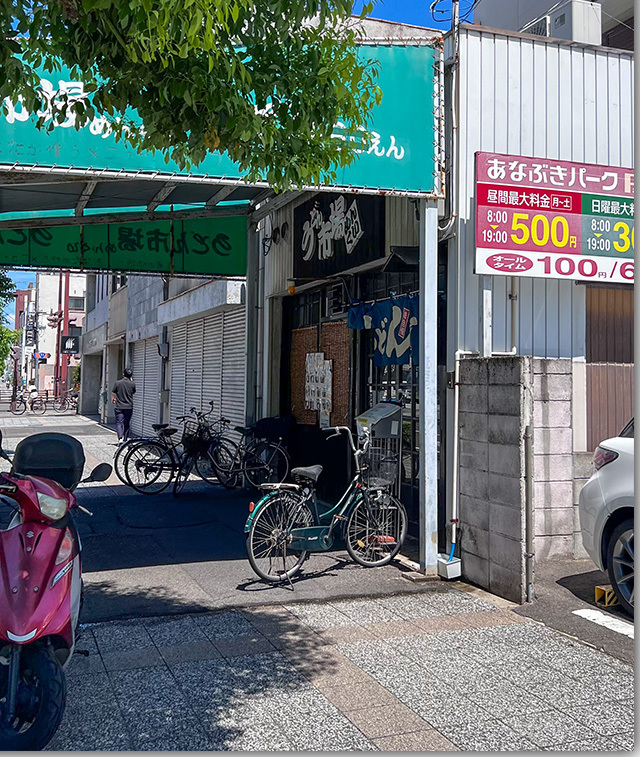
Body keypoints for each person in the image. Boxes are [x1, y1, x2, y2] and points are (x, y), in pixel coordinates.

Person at [111, 367, 136, 442]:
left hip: (119, 406)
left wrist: (113, 399)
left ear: (123, 374)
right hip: (129, 406)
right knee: (127, 423)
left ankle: (120, 438)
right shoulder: (132, 384)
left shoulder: (117, 383)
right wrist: (131, 381)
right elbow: (133, 392)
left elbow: (113, 393)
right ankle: (125, 439)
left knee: (119, 423)